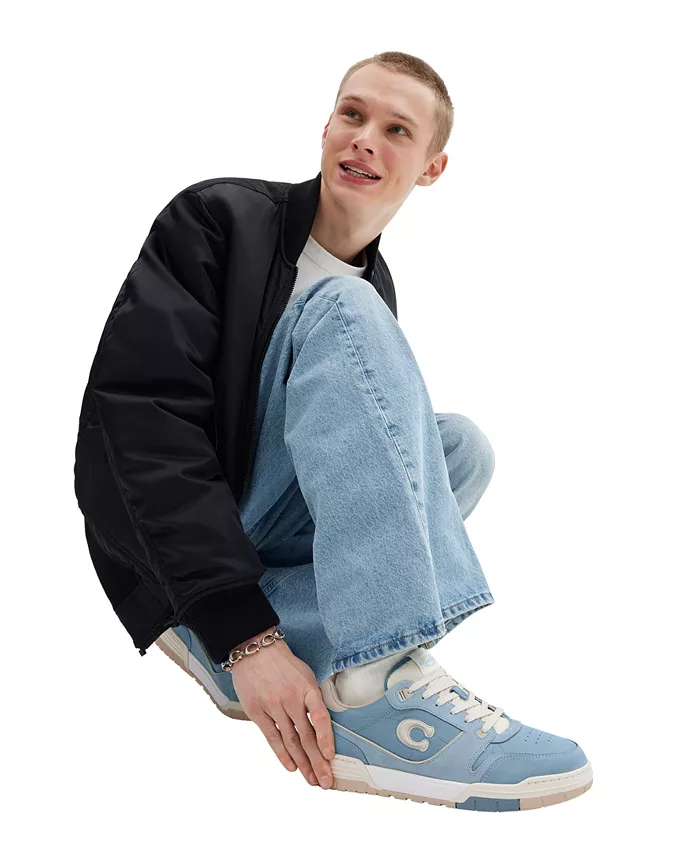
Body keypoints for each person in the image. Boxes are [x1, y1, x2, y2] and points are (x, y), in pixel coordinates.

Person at [74, 51, 592, 811]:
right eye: (352, 114)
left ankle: (339, 652)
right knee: (349, 314)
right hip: (172, 545)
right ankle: (371, 683)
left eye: (396, 129)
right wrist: (241, 633)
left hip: (261, 537)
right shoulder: (221, 218)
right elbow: (138, 421)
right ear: (325, 127)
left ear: (431, 167)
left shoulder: (374, 287)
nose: (365, 138)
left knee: (461, 449)